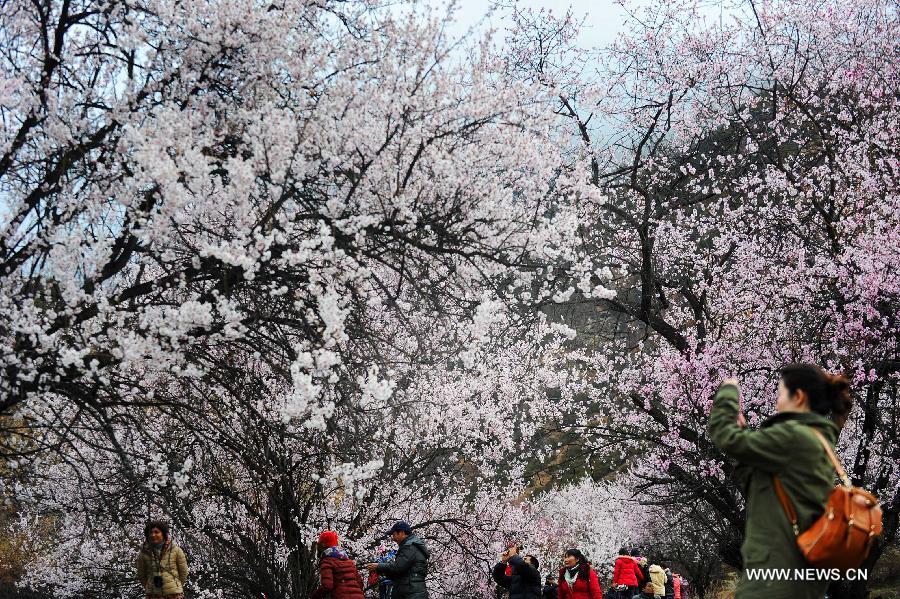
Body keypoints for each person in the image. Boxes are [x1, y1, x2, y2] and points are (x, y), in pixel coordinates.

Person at [708, 363, 853, 599]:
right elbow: (763, 488)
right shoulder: (815, 438)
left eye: (780, 394)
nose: (777, 402)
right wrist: (744, 442)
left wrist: (727, 393)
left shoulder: (795, 435)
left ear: (798, 397)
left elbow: (724, 436)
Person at [366, 521, 430, 599]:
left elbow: (398, 567)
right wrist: (381, 570)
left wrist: (379, 566)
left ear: (402, 533)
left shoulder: (410, 547)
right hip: (411, 592)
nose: (393, 538)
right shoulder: (411, 546)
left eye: (394, 534)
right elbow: (399, 573)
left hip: (410, 594)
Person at [135, 520, 188, 599]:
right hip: (153, 595)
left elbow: (183, 572)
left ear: (163, 534)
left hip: (174, 595)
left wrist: (176, 585)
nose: (153, 535)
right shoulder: (144, 553)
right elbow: (141, 574)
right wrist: (149, 586)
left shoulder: (176, 550)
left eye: (156, 532)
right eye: (150, 533)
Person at [311, 530, 365, 599]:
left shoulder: (327, 561)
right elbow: (360, 583)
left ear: (323, 545)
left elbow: (327, 586)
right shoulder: (349, 561)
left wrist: (314, 596)